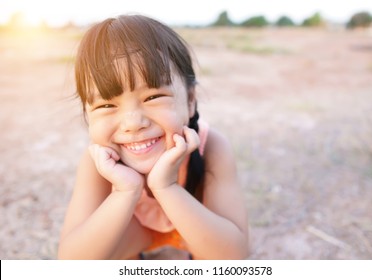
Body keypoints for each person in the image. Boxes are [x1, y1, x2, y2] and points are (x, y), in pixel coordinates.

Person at [57, 14, 248, 260]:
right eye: (106, 106)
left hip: (198, 229)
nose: (133, 123)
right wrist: (125, 192)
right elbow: (71, 262)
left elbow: (234, 257)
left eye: (153, 97)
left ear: (190, 101)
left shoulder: (212, 147)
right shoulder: (96, 162)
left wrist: (166, 187)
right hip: (134, 232)